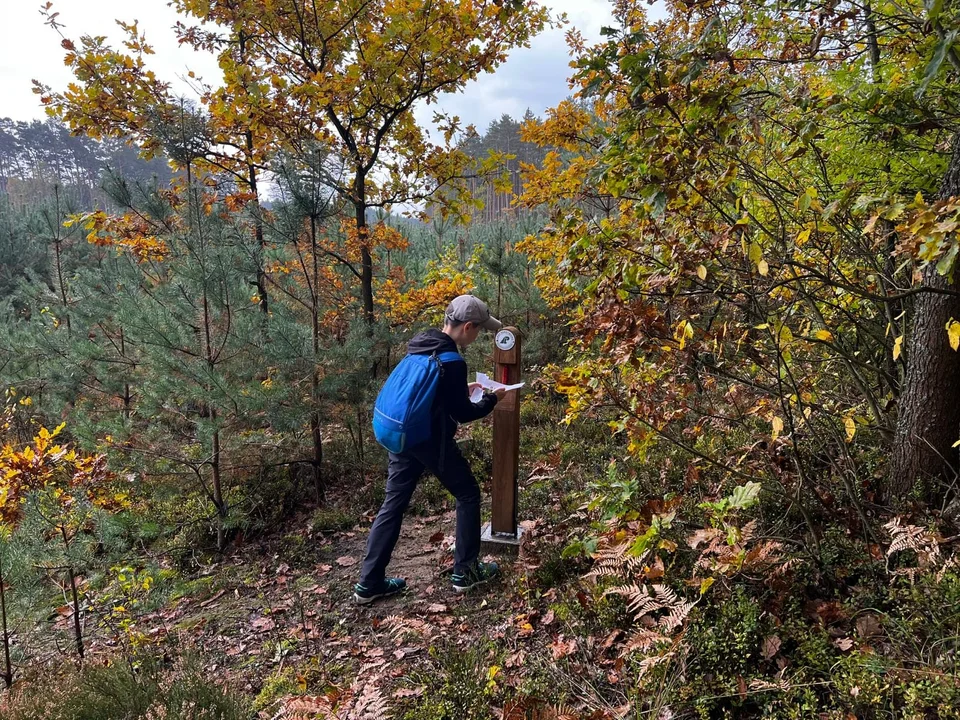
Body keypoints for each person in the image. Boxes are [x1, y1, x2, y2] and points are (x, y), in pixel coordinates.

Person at [354, 295, 509, 604]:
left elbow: (424, 393)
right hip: (428, 440)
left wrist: (459, 392)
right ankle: (465, 572)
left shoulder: (421, 346)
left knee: (392, 505)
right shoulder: (452, 360)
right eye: (478, 330)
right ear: (467, 327)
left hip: (402, 435)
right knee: (468, 494)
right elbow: (464, 414)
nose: (477, 336)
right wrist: (492, 399)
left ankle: (369, 583)